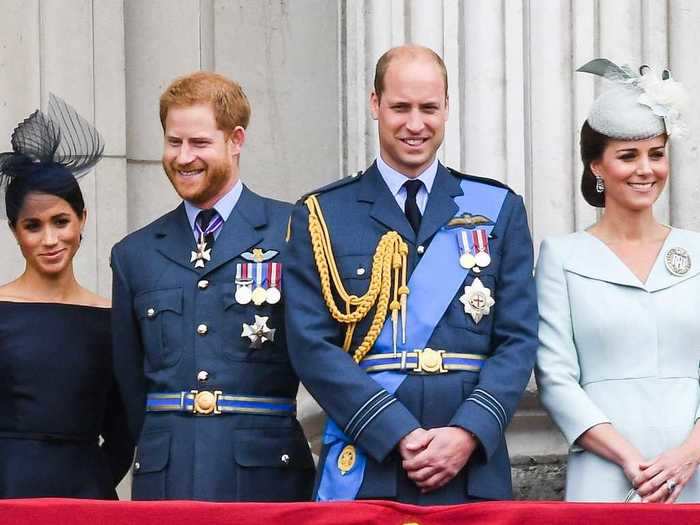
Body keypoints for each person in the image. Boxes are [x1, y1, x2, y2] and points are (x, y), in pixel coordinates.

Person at [285, 45, 538, 504]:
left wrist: (467, 432)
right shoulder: (323, 214)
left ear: (447, 108)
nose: (415, 124)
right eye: (400, 107)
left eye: (429, 108)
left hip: (470, 466)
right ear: (375, 104)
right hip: (370, 459)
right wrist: (395, 431)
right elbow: (311, 344)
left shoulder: (497, 208)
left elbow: (517, 340)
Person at [110, 71, 314, 501]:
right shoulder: (135, 254)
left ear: (235, 140)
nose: (184, 157)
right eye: (173, 142)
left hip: (265, 478)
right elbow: (131, 387)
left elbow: (322, 353)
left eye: (199, 143)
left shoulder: (294, 232)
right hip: (168, 478)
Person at [536, 58, 700, 503]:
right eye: (628, 156)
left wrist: (687, 454)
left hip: (694, 471)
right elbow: (555, 378)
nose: (645, 169)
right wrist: (631, 460)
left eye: (656, 154)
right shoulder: (562, 257)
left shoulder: (699, 252)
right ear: (597, 167)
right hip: (605, 472)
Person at [0, 95, 133, 498]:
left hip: (87, 496)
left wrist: (90, 486)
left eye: (61, 221)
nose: (50, 239)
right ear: (14, 230)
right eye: (33, 226)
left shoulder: (113, 318)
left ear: (82, 219)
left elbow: (123, 430)